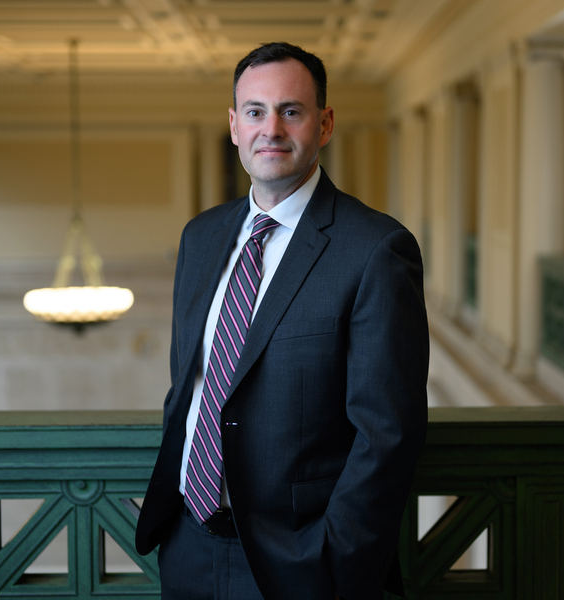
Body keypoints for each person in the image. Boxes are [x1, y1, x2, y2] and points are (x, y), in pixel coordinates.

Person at [135, 41, 429, 600]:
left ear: (324, 124)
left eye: (291, 111)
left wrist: (333, 560)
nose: (271, 128)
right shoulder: (200, 237)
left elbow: (388, 433)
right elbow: (192, 386)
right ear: (233, 126)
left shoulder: (375, 249)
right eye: (255, 111)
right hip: (187, 544)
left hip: (297, 562)